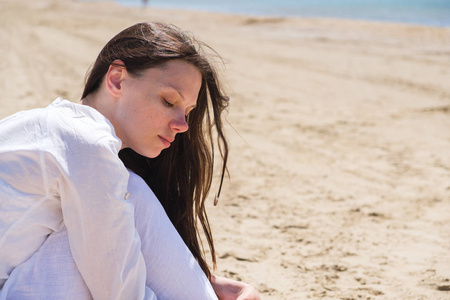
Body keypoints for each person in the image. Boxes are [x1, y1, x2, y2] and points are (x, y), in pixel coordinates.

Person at [0, 22, 259, 299]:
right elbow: (119, 292)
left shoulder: (56, 131)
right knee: (131, 194)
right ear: (116, 79)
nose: (183, 125)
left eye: (188, 111)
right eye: (169, 101)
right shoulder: (86, 144)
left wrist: (202, 278)